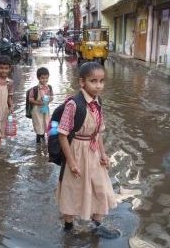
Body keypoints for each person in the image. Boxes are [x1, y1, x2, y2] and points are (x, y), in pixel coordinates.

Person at [56, 62, 120, 239]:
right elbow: (62, 135)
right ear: (82, 82)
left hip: (93, 152)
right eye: (93, 81)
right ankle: (68, 228)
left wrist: (104, 153)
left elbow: (98, 132)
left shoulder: (98, 102)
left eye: (101, 81)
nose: (98, 85)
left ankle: (96, 225)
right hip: (76, 151)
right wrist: (71, 162)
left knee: (101, 187)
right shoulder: (73, 105)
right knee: (72, 189)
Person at [29, 67, 53, 143]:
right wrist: (39, 102)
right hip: (36, 110)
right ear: (38, 78)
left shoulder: (49, 87)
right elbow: (30, 99)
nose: (45, 80)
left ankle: (43, 141)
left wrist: (48, 101)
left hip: (45, 108)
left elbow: (52, 96)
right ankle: (38, 142)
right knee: (38, 124)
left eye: (46, 78)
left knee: (46, 122)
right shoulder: (35, 89)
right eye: (42, 78)